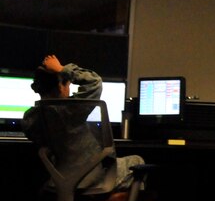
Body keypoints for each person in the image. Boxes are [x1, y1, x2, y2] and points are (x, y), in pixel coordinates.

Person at [23, 55, 144, 192]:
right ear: (61, 86)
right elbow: (95, 82)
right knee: (137, 161)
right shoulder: (71, 110)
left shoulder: (30, 119)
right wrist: (61, 69)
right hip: (92, 181)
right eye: (68, 85)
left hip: (60, 182)